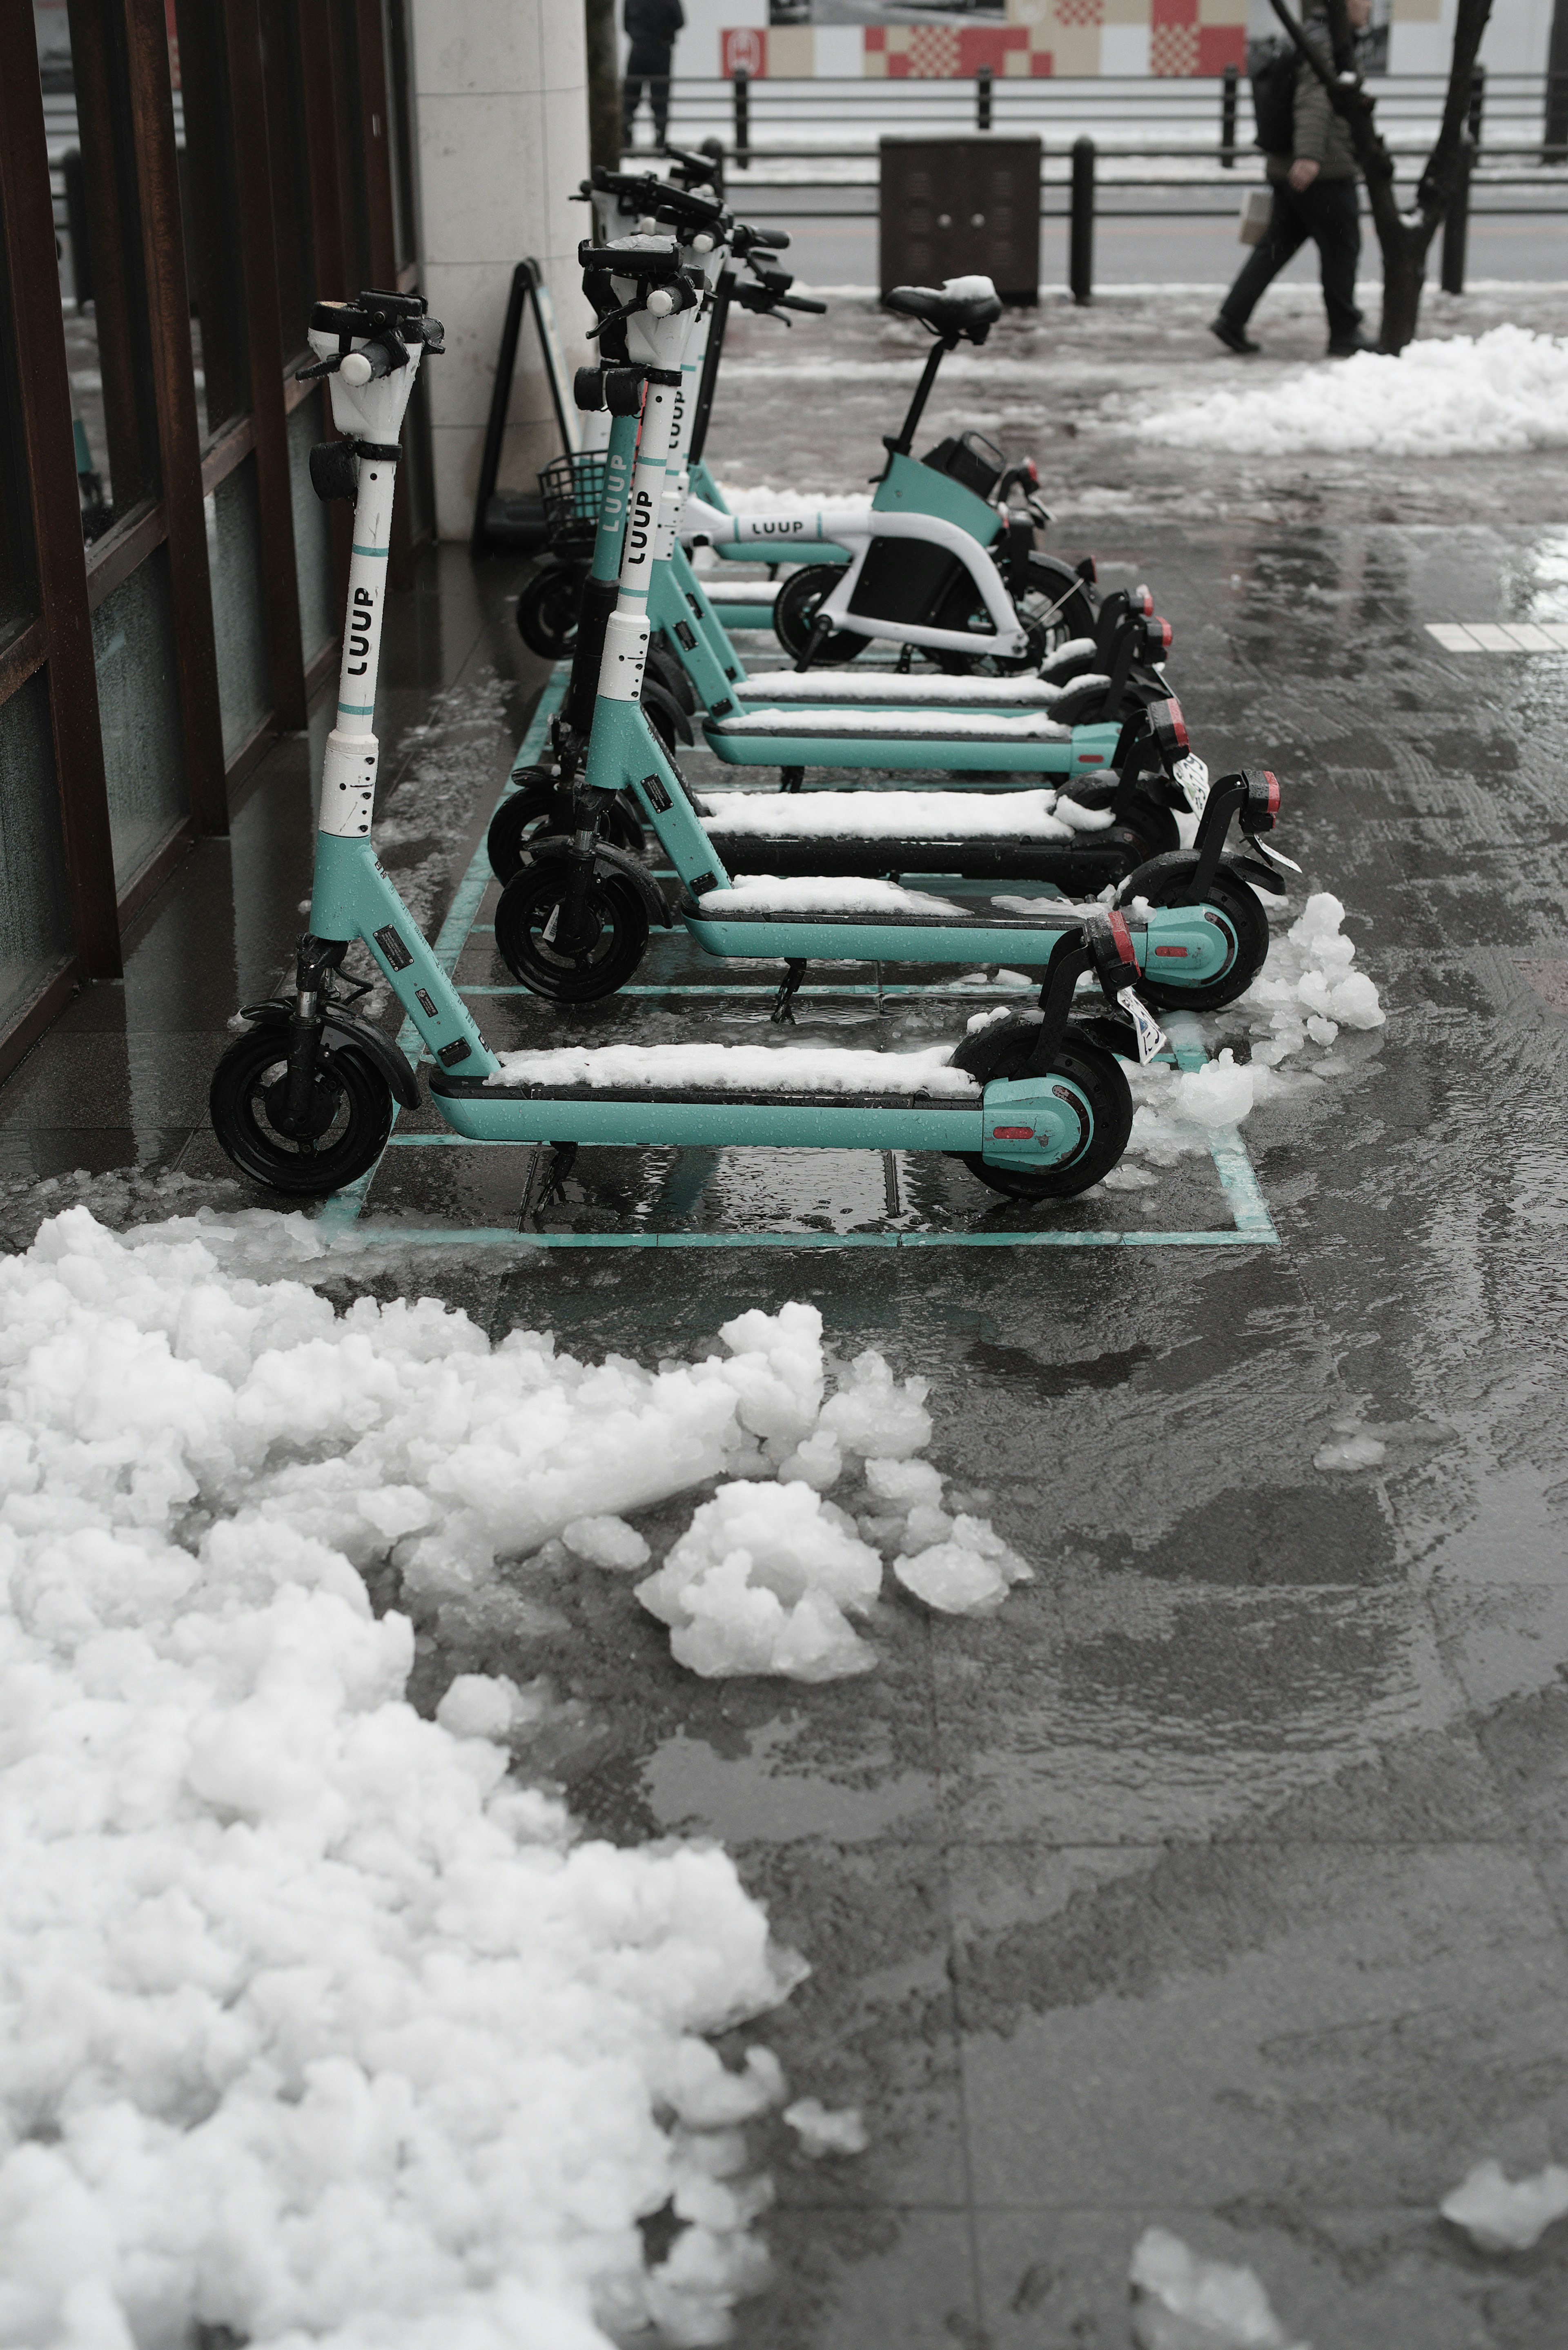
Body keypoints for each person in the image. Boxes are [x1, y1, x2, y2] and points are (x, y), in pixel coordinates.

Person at [1212, 0, 1378, 359]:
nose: (1370, 6)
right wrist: (1310, 156)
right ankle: (1345, 332)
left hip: (1285, 164)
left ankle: (1231, 318)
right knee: (1341, 249)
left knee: (1275, 247)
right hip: (1323, 170)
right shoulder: (1328, 44)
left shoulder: (1306, 36)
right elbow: (1313, 102)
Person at [623, 0, 683, 153]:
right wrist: (664, 34)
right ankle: (660, 138)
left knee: (630, 97)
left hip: (639, 50)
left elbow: (626, 25)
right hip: (661, 50)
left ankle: (627, 136)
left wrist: (639, 35)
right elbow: (680, 21)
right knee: (660, 98)